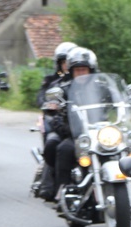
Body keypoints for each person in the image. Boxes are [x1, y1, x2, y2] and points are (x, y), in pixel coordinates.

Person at [33, 46, 96, 202]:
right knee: (64, 148)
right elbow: (53, 110)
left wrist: (129, 101)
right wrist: (53, 107)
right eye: (77, 70)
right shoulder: (63, 88)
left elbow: (116, 100)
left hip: (98, 132)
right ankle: (63, 188)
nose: (81, 73)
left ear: (90, 70)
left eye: (84, 70)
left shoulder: (100, 86)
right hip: (74, 133)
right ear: (72, 72)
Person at [37, 41, 76, 107]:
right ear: (59, 65)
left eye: (70, 62)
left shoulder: (82, 79)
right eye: (64, 62)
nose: (67, 65)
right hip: (61, 114)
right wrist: (47, 104)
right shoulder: (51, 80)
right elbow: (41, 97)